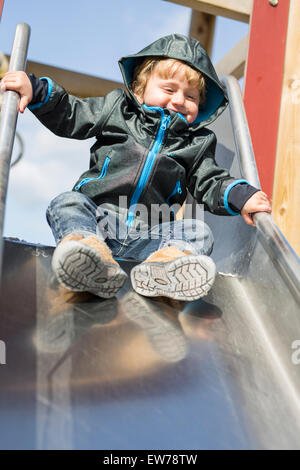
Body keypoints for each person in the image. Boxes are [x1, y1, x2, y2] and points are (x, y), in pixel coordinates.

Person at [1, 34, 271, 301]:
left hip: (150, 236)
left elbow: (210, 181)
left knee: (197, 230)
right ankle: (86, 251)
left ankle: (165, 268)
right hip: (100, 222)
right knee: (67, 202)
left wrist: (241, 196)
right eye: (169, 89)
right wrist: (38, 91)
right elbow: (74, 114)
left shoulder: (196, 143)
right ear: (139, 90)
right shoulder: (117, 110)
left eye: (191, 96)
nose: (179, 100)